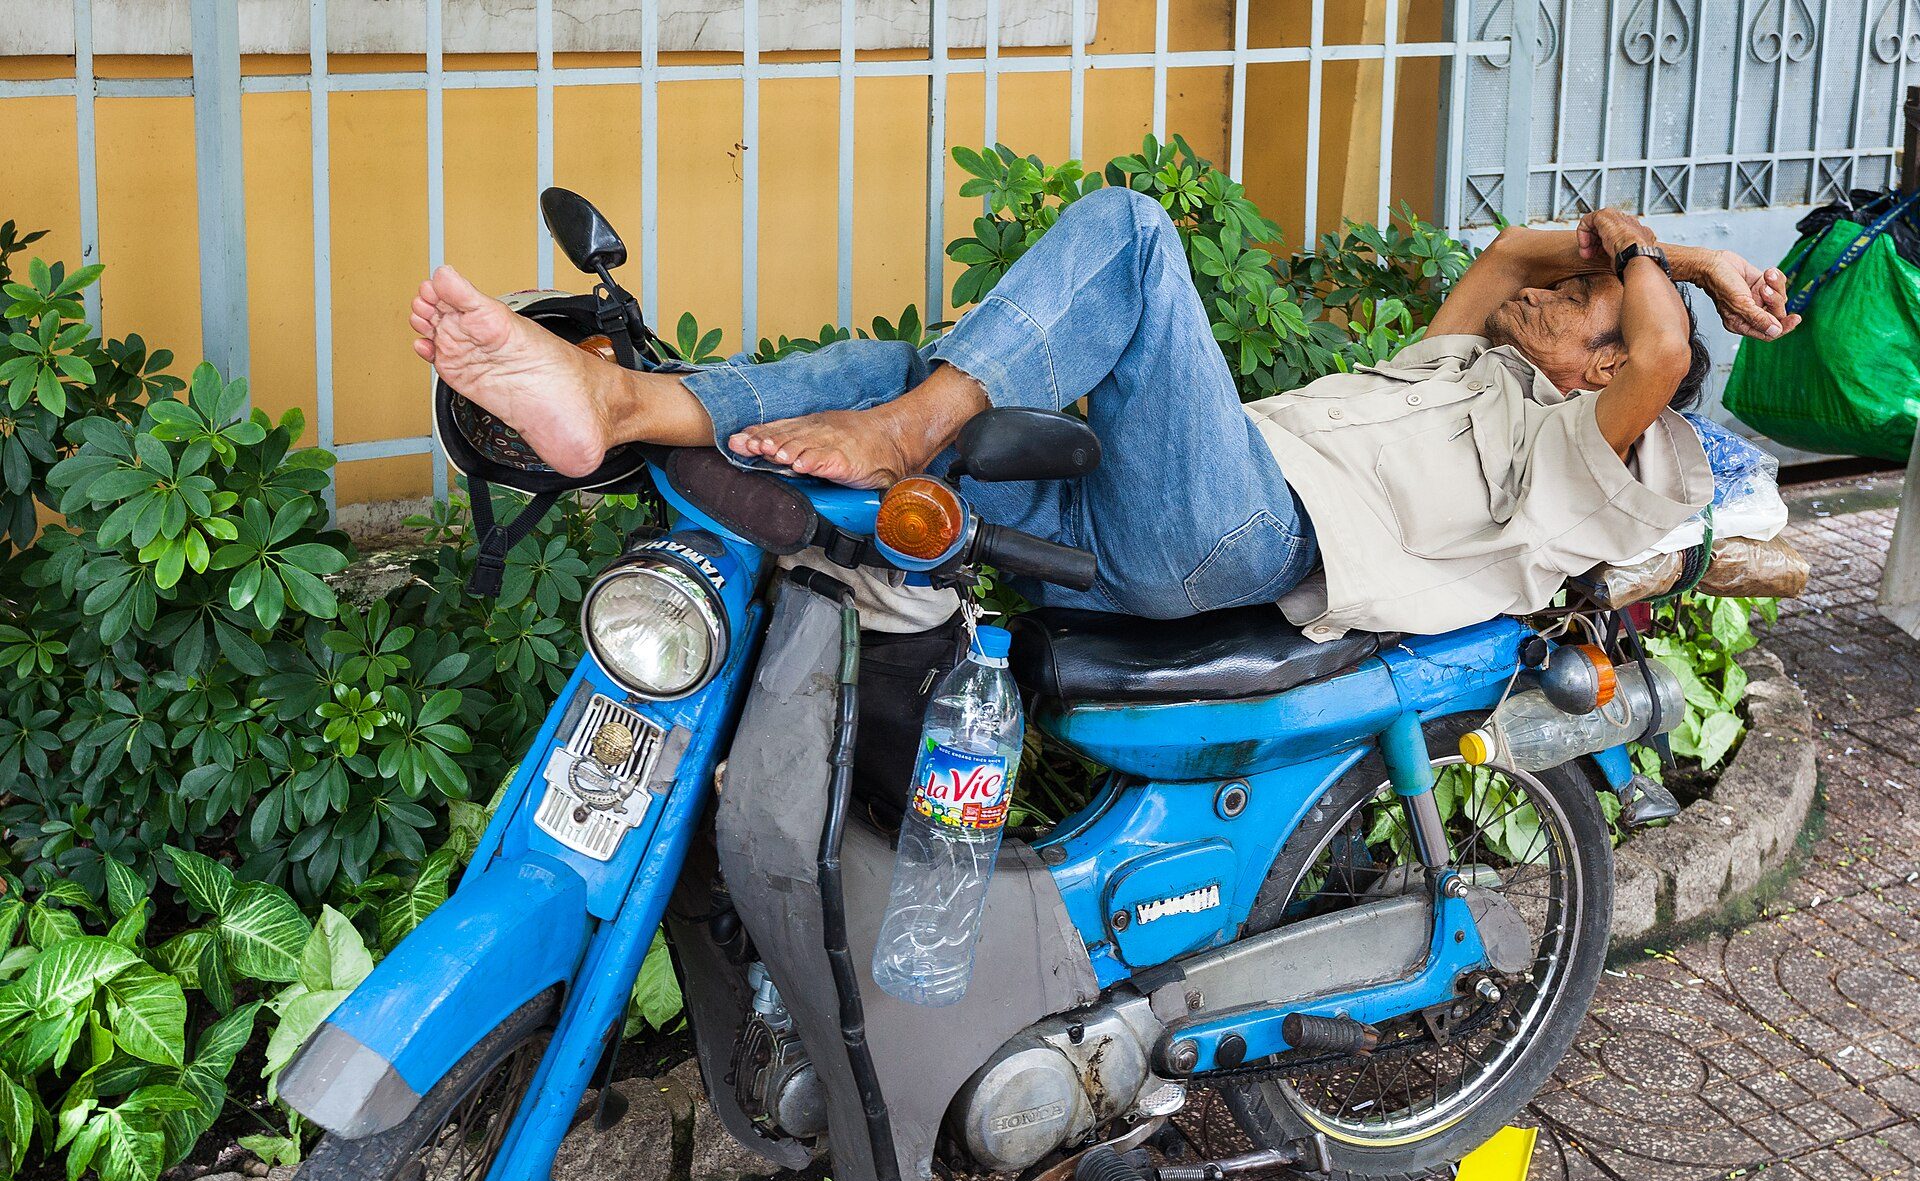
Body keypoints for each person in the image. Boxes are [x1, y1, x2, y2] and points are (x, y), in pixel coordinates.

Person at [409, 190, 1798, 639]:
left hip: (1244, 534)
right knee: (906, 359)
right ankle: (618, 397)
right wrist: (1648, 251)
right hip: (1153, 499)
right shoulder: (1469, 362)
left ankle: (908, 425)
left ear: (1595, 374)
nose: (1561, 299)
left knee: (1133, 234)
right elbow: (1514, 260)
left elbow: (1664, 353)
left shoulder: (1589, 455)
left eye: (1591, 315)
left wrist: (1665, 263)